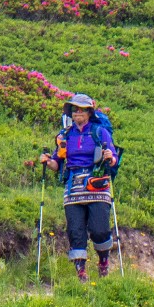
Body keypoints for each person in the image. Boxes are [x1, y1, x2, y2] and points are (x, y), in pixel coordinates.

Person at [42, 93, 119, 280]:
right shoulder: (65, 135)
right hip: (73, 186)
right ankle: (81, 272)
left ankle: (103, 261)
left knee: (99, 229)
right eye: (75, 109)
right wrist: (47, 161)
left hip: (98, 185)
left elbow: (114, 160)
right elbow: (56, 163)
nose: (78, 113)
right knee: (76, 230)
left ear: (89, 112)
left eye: (82, 110)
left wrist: (110, 157)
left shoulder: (100, 133)